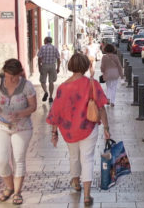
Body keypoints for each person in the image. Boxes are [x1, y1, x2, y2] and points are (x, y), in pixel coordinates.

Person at [46, 53, 110, 206]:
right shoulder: (92, 84)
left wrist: (54, 132)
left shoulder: (62, 88)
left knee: (74, 157)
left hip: (69, 130)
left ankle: (76, 183)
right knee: (87, 159)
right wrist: (106, 128)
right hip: (88, 127)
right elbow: (101, 107)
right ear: (85, 66)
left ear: (70, 67)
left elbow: (56, 112)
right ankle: (87, 196)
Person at [0, 59, 37, 204]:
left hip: (22, 128)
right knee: (0, 160)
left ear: (19, 73)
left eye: (14, 76)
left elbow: (33, 106)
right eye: (9, 76)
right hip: (2, 126)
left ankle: (17, 192)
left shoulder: (27, 86)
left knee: (18, 159)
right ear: (4, 72)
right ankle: (9, 186)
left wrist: (20, 113)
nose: (12, 79)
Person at [37, 36, 60, 103]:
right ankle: (50, 97)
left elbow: (39, 58)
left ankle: (46, 92)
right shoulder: (54, 48)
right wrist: (58, 67)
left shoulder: (42, 47)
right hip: (52, 65)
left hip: (44, 65)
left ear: (46, 41)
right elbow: (58, 58)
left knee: (42, 81)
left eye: (44, 40)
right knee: (51, 81)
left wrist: (39, 66)